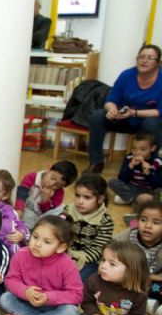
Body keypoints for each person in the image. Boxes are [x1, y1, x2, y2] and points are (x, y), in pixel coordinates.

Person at [0, 215, 83, 315]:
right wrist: (25, 292)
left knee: (72, 312)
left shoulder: (68, 265)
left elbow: (76, 295)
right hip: (27, 303)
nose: (37, 244)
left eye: (47, 242)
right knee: (5, 298)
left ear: (60, 247)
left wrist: (49, 297)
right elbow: (11, 280)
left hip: (55, 307)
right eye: (35, 237)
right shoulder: (21, 255)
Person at [87, 44, 162, 174]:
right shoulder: (127, 75)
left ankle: (149, 166)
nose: (144, 60)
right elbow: (111, 100)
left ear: (158, 62)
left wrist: (134, 113)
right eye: (141, 57)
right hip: (126, 117)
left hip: (150, 120)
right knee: (98, 116)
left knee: (150, 124)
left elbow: (159, 111)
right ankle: (96, 162)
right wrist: (112, 109)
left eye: (150, 58)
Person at [112, 199, 162, 315]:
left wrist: (154, 277)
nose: (148, 226)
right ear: (137, 220)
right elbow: (111, 248)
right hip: (129, 279)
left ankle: (148, 302)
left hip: (151, 282)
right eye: (143, 220)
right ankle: (145, 303)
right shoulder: (130, 235)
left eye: (156, 222)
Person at [63, 174, 114, 282]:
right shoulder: (68, 209)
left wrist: (76, 259)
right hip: (64, 252)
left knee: (76, 280)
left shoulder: (105, 220)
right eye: (77, 195)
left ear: (100, 199)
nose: (80, 201)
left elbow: (98, 250)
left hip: (88, 261)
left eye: (87, 197)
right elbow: (59, 233)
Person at [15, 160, 78, 229]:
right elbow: (21, 195)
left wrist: (44, 199)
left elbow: (47, 212)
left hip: (42, 216)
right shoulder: (32, 177)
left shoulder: (59, 193)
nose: (51, 184)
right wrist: (19, 210)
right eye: (52, 178)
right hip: (24, 209)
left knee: (62, 208)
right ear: (49, 168)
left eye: (57, 185)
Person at [108, 131, 162, 205]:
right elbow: (122, 179)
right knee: (111, 182)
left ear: (152, 148)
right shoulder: (129, 158)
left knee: (159, 191)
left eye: (143, 149)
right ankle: (134, 200)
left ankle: (130, 199)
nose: (137, 152)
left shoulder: (158, 162)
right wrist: (130, 166)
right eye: (134, 149)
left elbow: (158, 184)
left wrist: (148, 173)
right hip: (133, 187)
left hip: (149, 189)